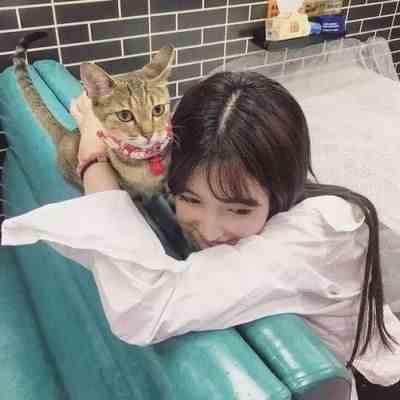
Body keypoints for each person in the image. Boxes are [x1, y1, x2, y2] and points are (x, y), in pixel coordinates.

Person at [2, 71, 400, 399]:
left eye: (239, 209)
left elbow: (143, 309)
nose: (208, 231)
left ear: (283, 185)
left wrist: (92, 158)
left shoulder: (319, 230)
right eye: (189, 198)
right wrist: (103, 131)